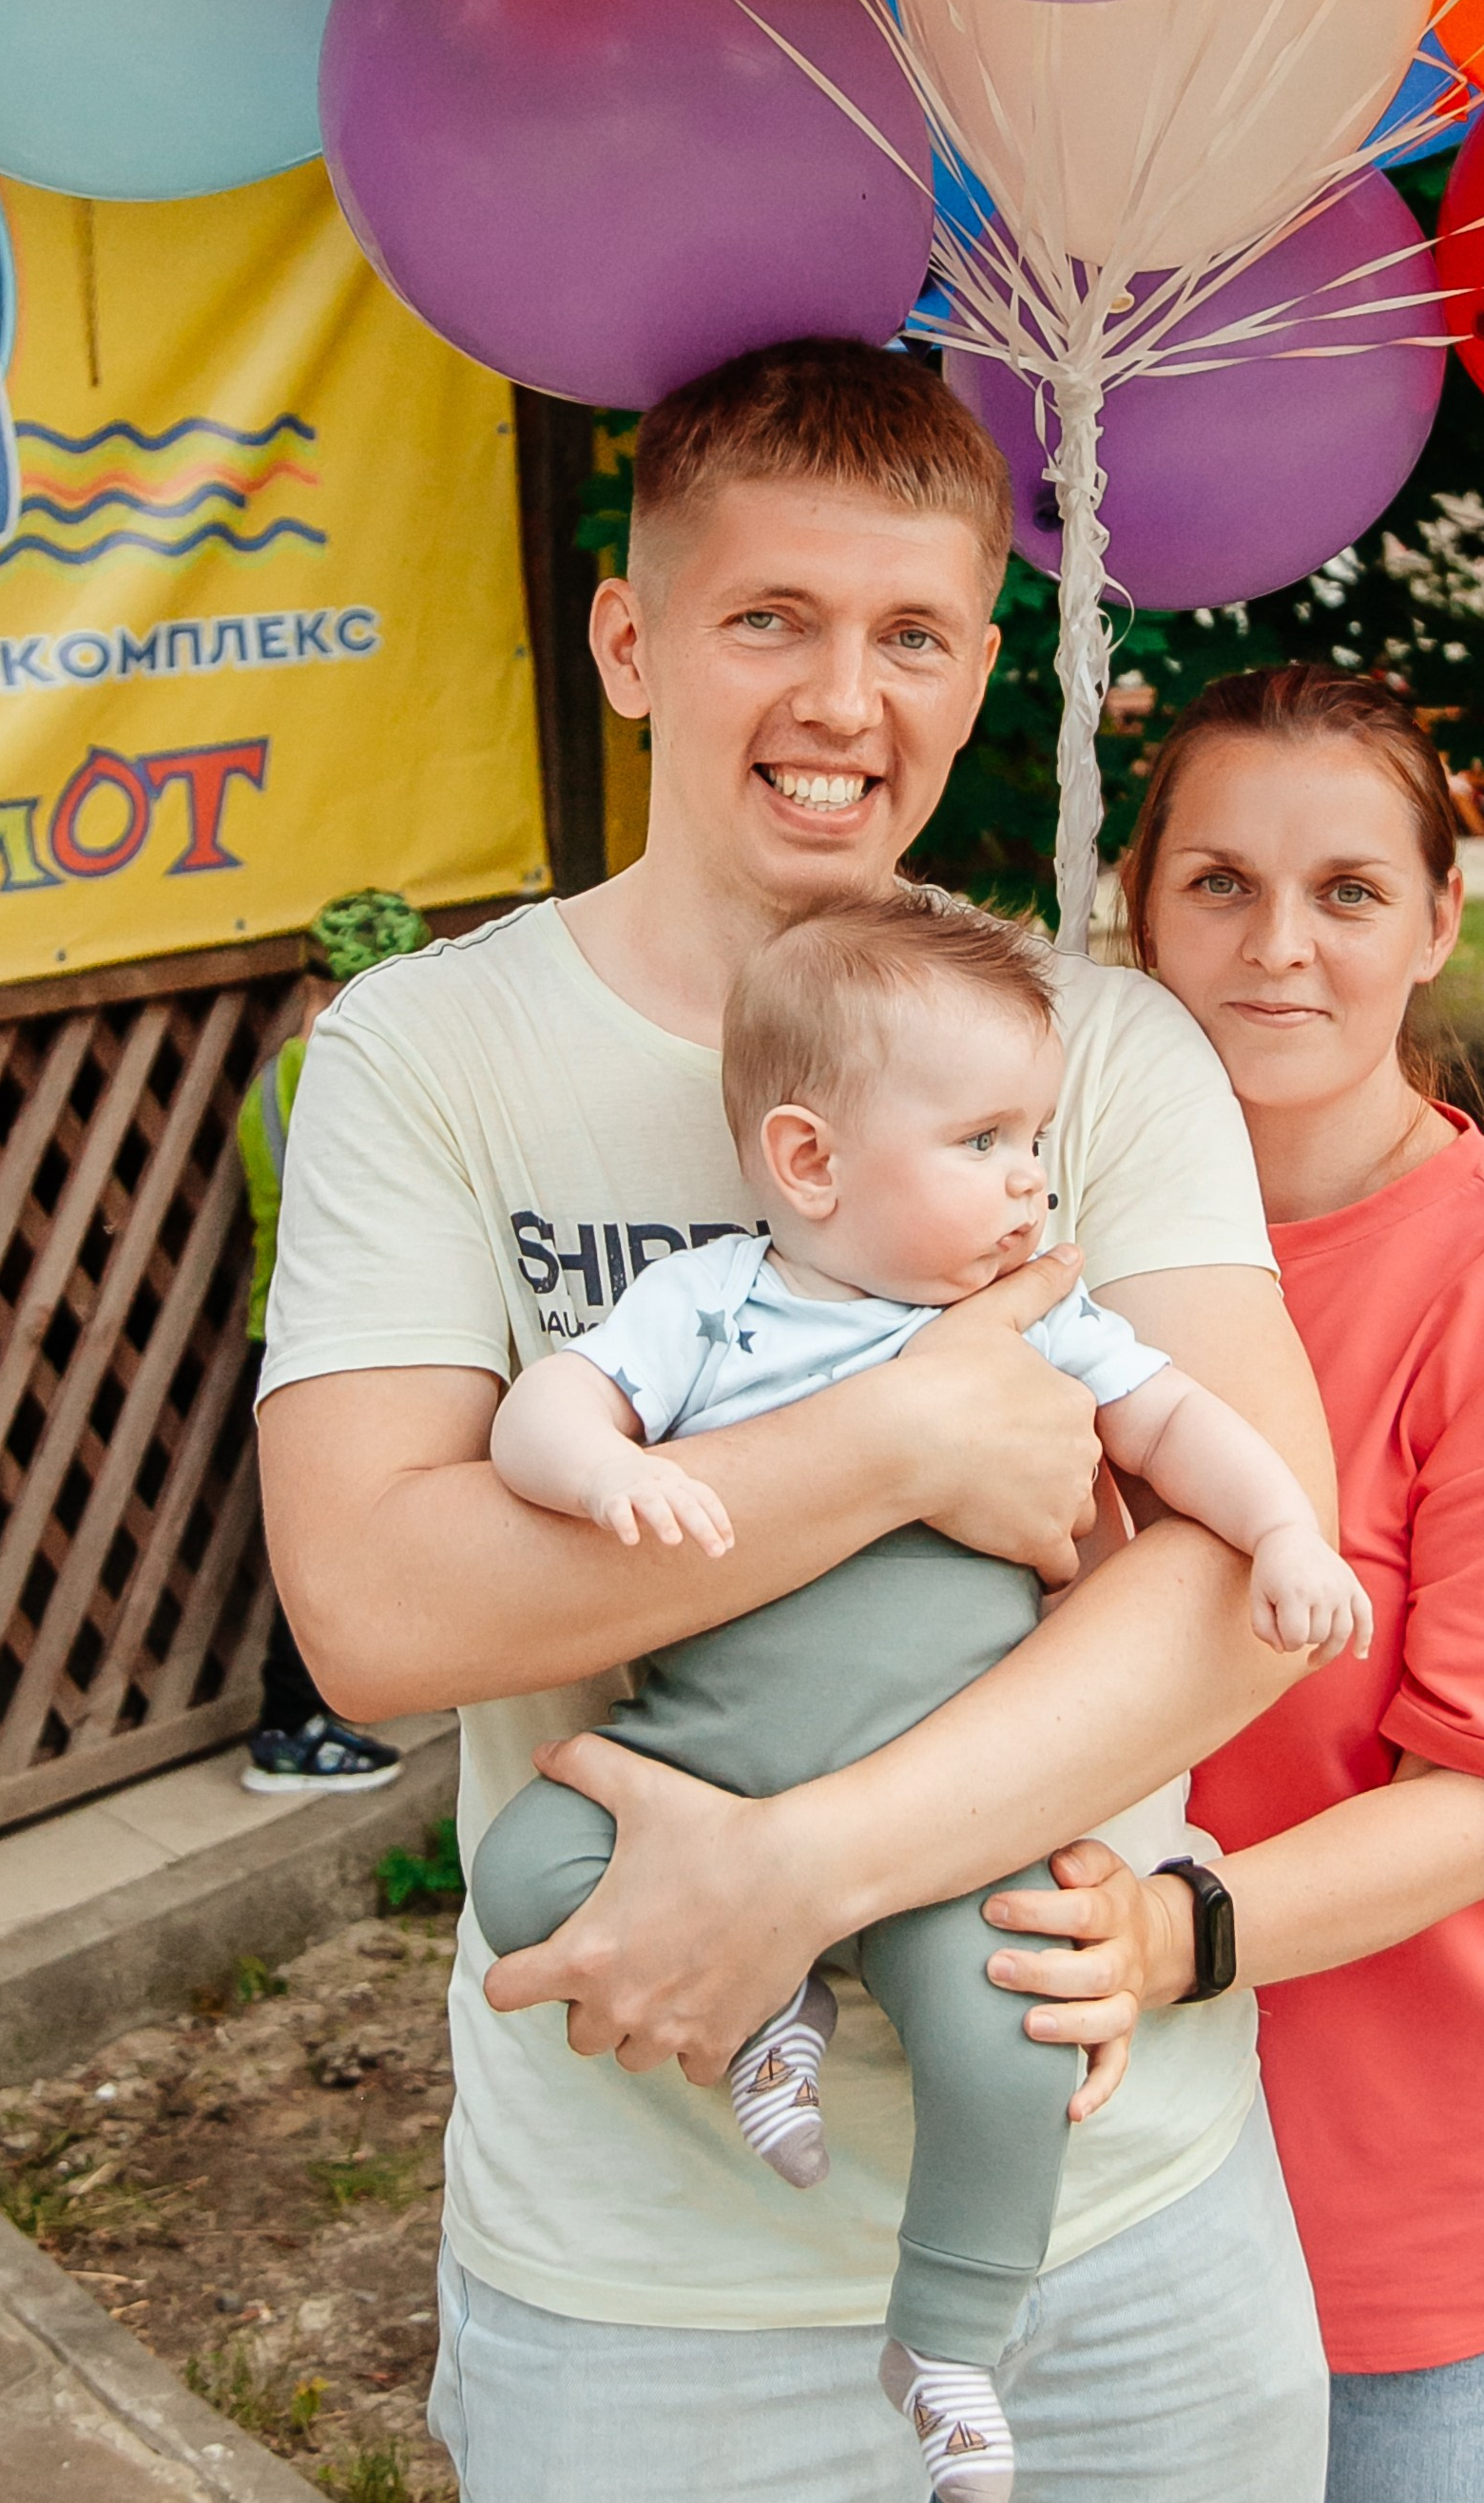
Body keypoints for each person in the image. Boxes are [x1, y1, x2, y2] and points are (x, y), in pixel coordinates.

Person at [255, 339, 1336, 2502]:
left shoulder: (1095, 1051)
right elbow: (374, 1608)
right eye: (774, 621)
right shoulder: (432, 1051)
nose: (850, 702)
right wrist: (907, 1442)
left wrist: (795, 1875)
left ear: (976, 665)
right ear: (633, 639)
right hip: (643, 2291)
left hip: (1122, 2229)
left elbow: (1243, 1586)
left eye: (914, 634)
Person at [472, 895, 1370, 2503]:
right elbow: (544, 1409)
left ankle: (947, 2340)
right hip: (704, 1766)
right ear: (809, 1164)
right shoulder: (711, 1304)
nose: (1032, 1176)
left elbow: (1182, 1427)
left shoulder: (1032, 1322)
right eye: (982, 1141)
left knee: (1011, 2044)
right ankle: (772, 2007)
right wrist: (601, 1467)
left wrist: (1286, 1530)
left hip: (965, 1807)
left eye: (1035, 1136)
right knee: (522, 1875)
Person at [972, 666, 1484, 2503]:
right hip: (1078, 2184)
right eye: (1215, 882)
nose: (1273, 946)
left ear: (1442, 916)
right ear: (1135, 901)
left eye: (1347, 891)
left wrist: (1166, 1937)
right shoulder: (1020, 1240)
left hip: (1406, 2223)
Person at [237, 889, 432, 1796]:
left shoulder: (275, 1074)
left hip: (280, 1328)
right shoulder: (358, 1076)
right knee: (329, 1540)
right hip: (344, 1337)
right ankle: (290, 1725)